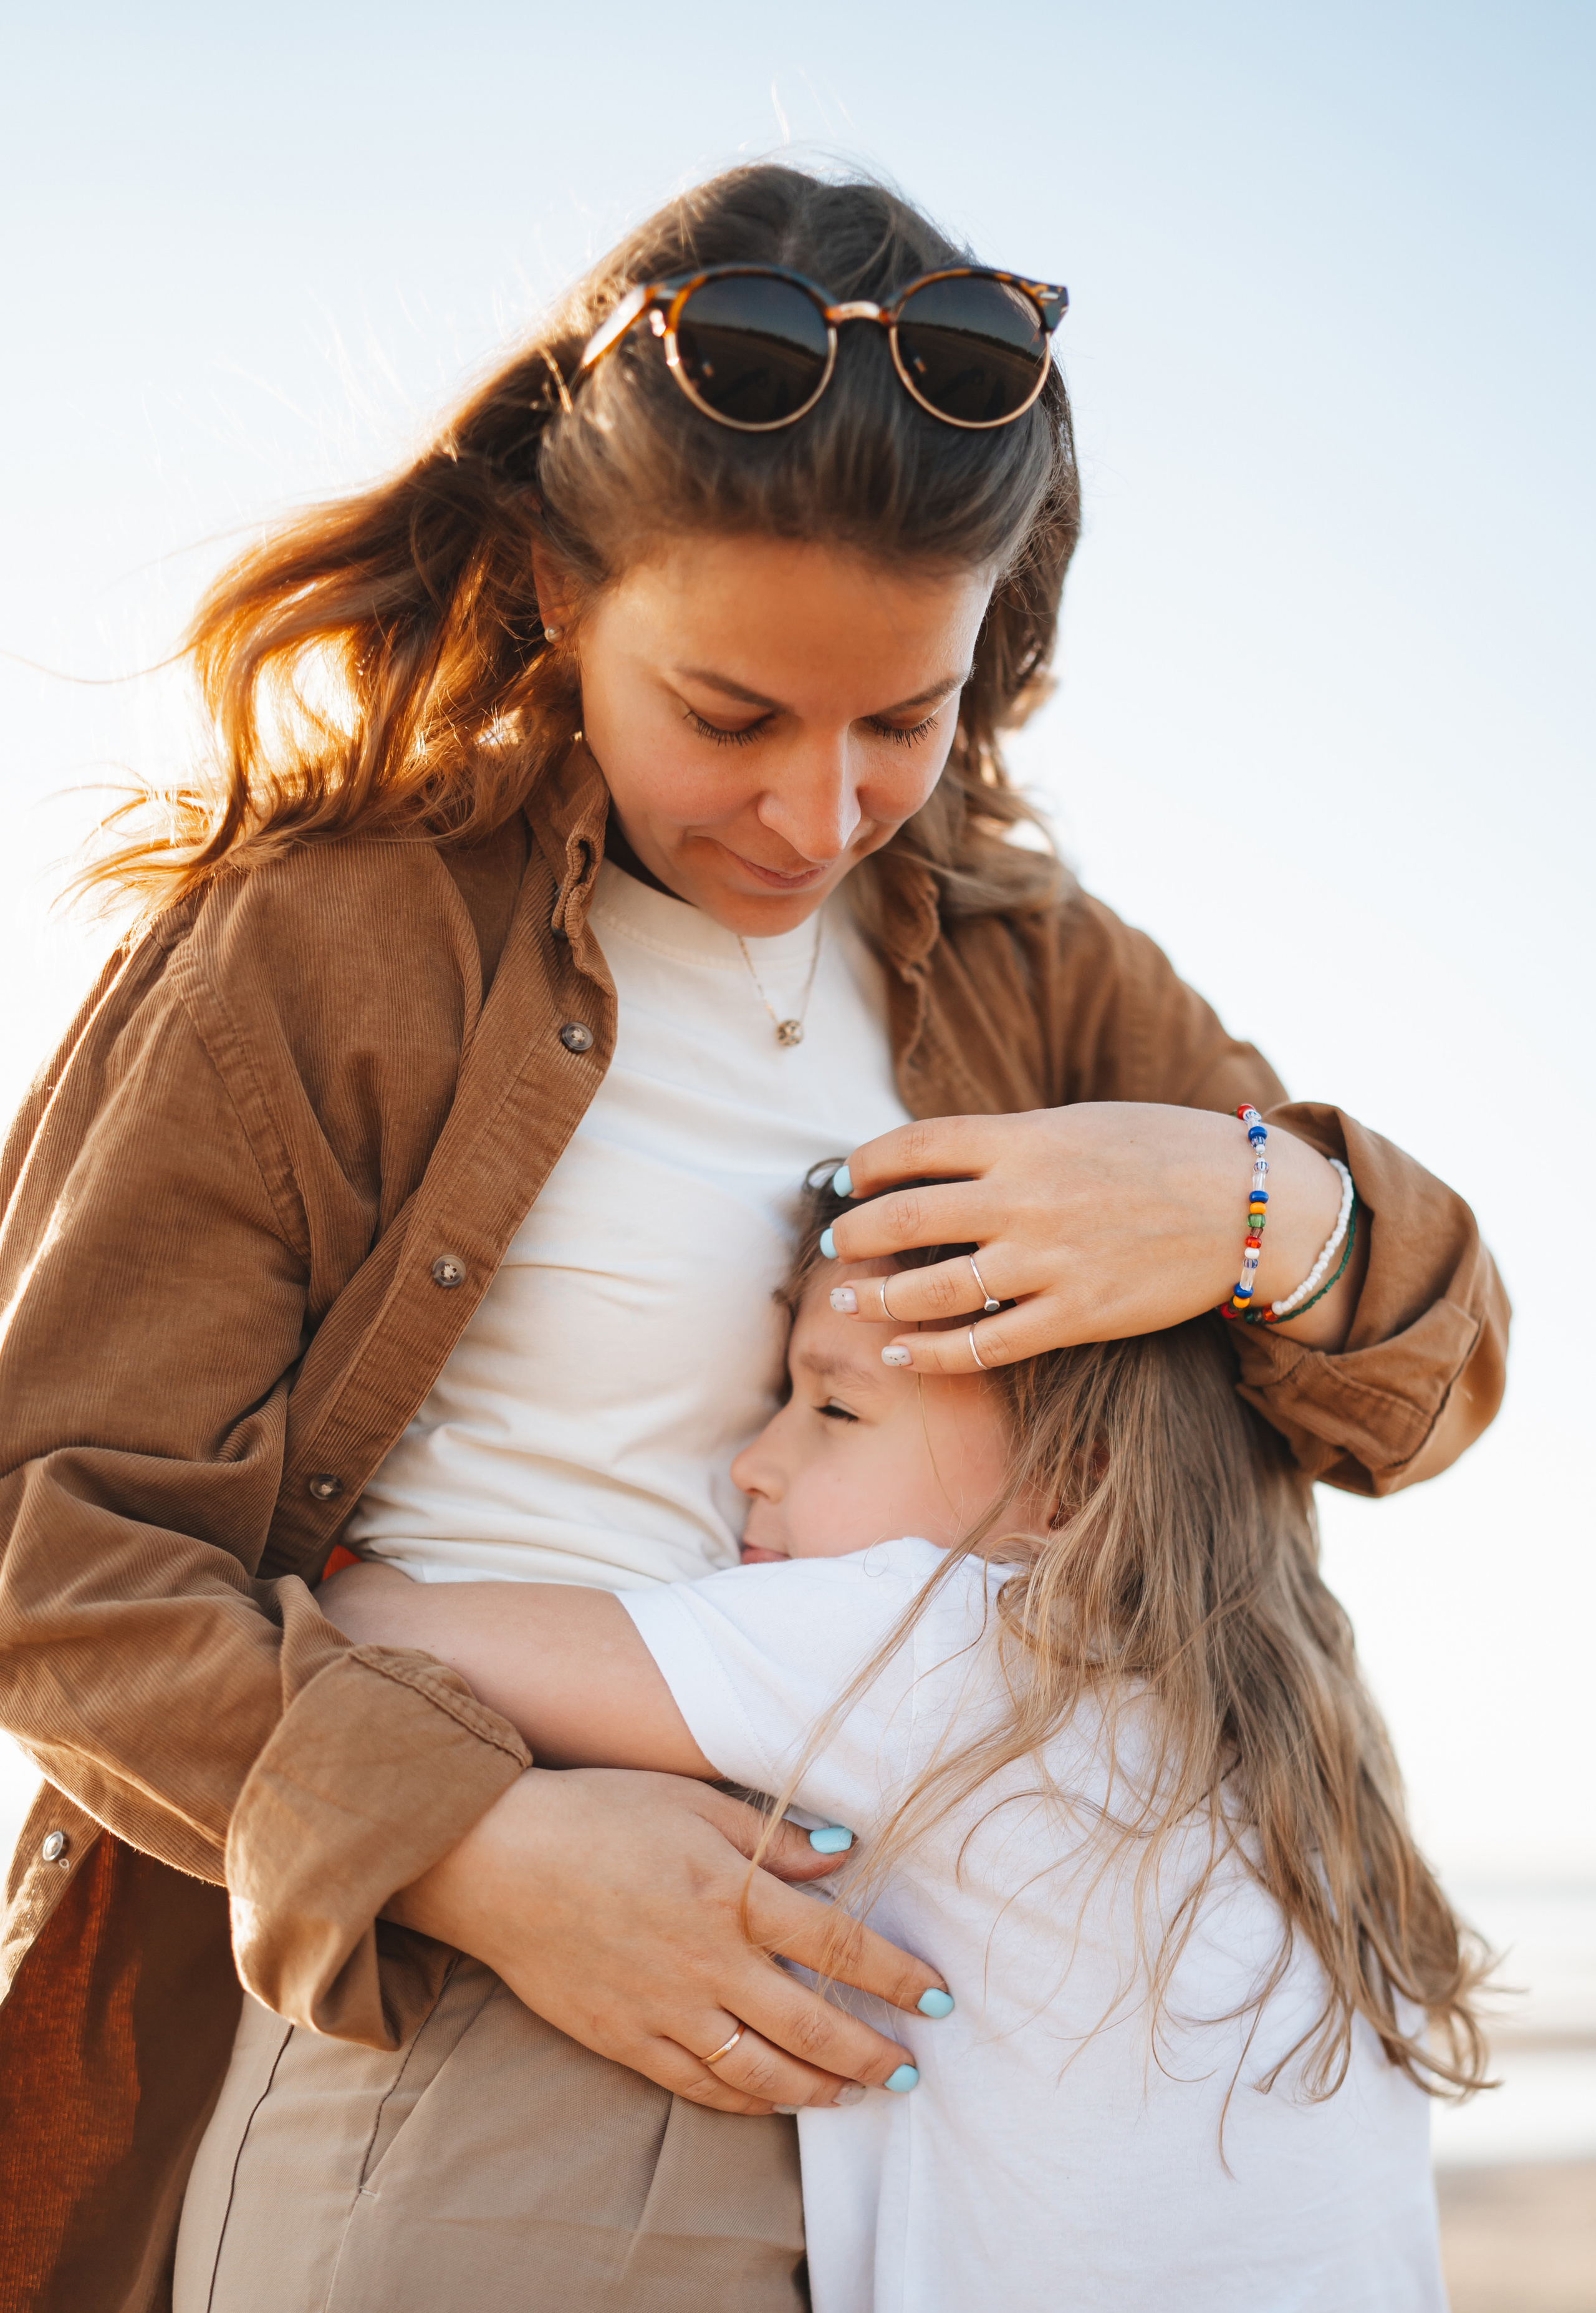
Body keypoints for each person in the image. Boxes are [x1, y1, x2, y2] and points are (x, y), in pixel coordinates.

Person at [0, 163, 1505, 2313]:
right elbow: (52, 1554)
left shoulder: (1038, 973)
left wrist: (1266, 1206)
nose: (818, 812)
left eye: (905, 720)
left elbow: (1430, 1384)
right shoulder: (318, 948)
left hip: (975, 2088)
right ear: (548, 586)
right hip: (504, 2052)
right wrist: (475, 1848)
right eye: (730, 717)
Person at [304, 1167, 1484, 2312]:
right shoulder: (1299, 1743)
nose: (751, 1463)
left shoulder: (946, 1640)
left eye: (834, 1408)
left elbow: (388, 1629)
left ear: (1071, 1485)